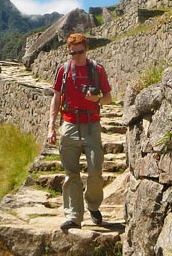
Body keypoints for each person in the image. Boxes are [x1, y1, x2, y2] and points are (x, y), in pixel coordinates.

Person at [46, 33, 112, 231]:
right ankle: (74, 216)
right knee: (71, 174)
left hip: (92, 124)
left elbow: (108, 97)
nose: (75, 56)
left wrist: (97, 100)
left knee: (95, 169)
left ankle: (93, 205)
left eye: (79, 52)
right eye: (72, 53)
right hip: (69, 124)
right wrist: (51, 127)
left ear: (87, 49)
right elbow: (56, 99)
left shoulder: (97, 70)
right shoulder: (63, 70)